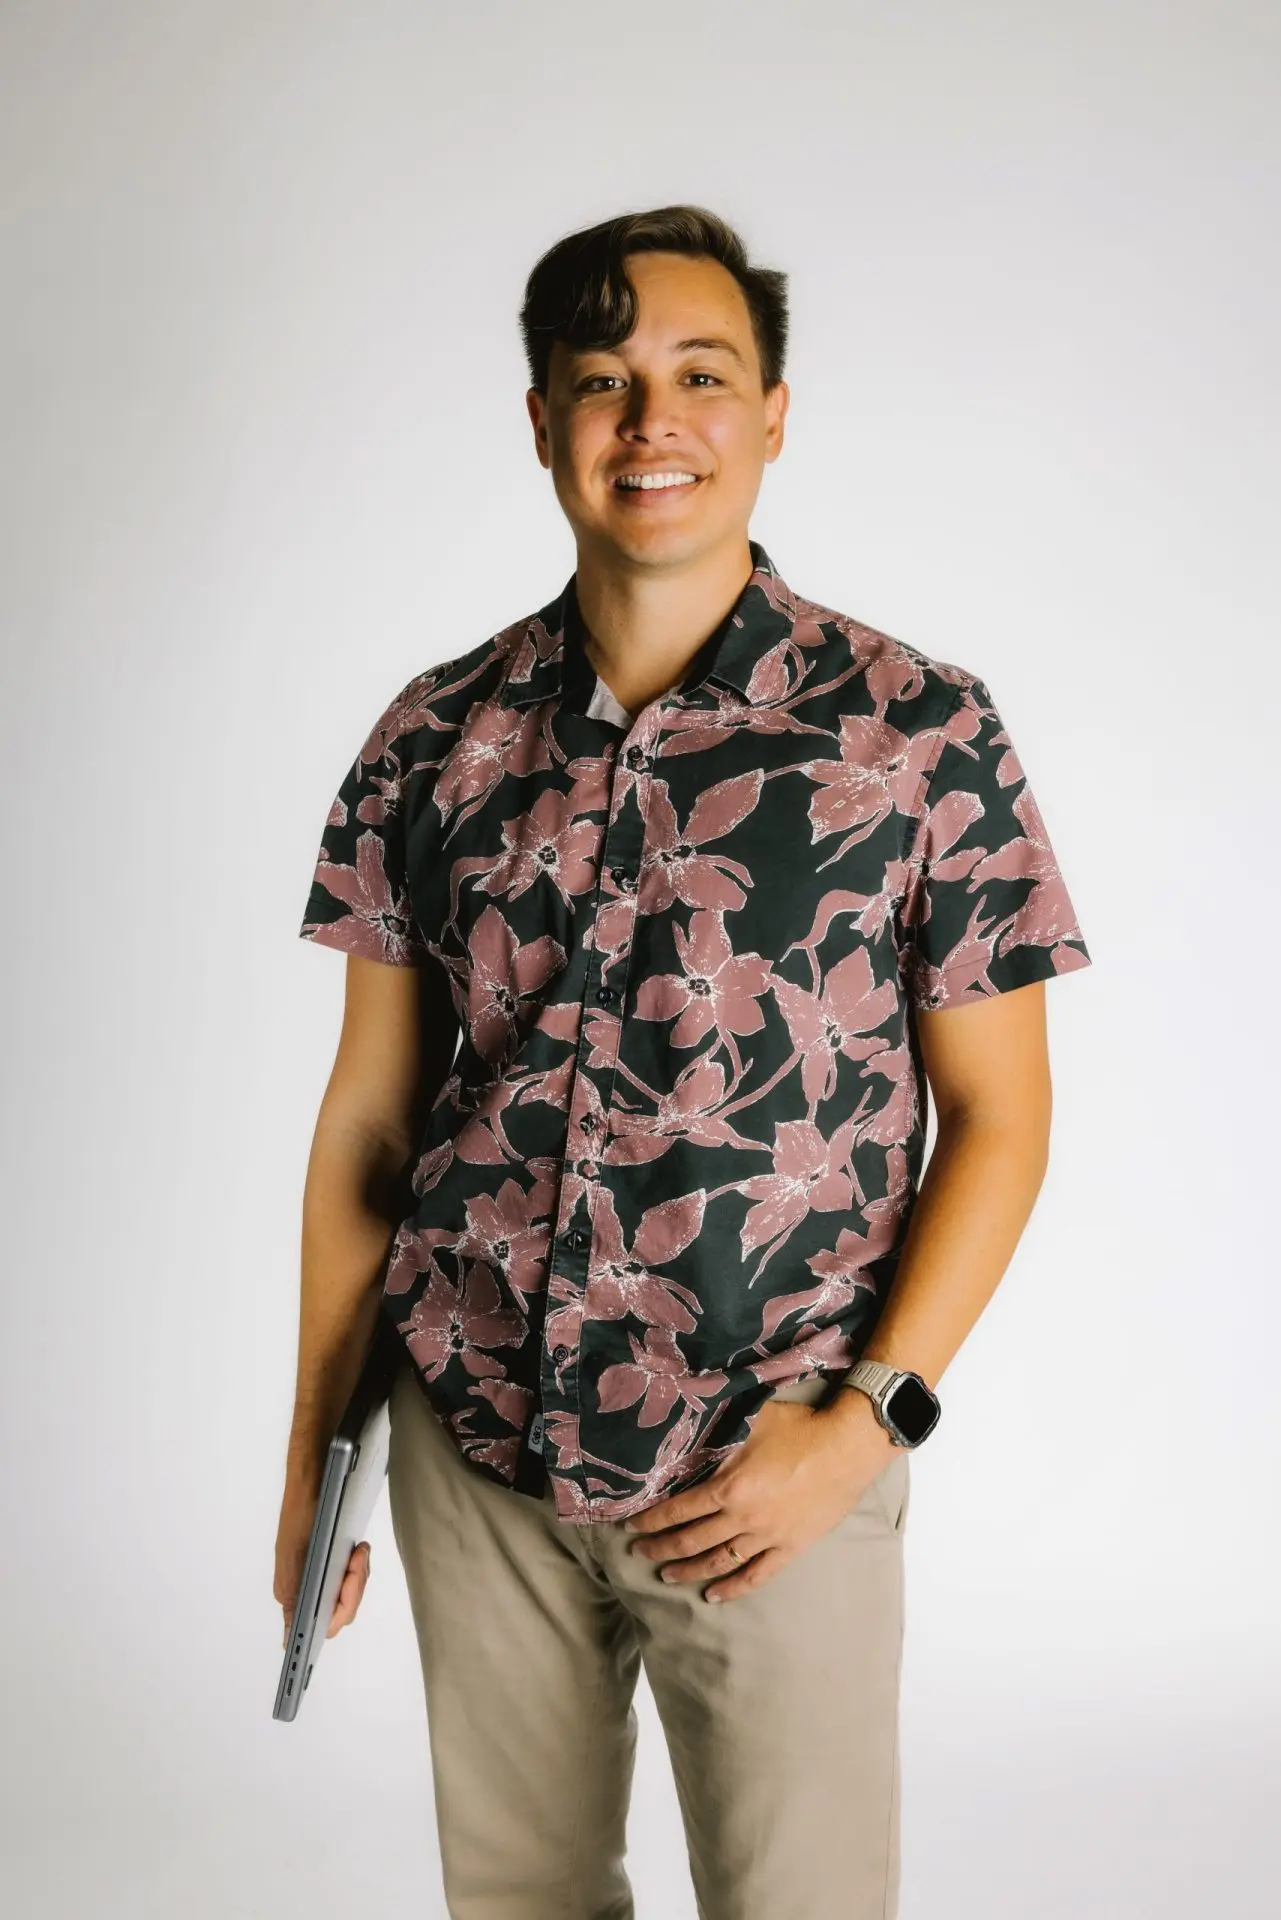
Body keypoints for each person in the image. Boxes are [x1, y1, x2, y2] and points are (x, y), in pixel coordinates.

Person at [274, 203, 1092, 1920]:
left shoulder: (917, 732)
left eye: (701, 375)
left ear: (775, 413)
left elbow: (1003, 1124)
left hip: (769, 1461)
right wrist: (313, 1458)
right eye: (603, 379)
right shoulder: (433, 738)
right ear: (544, 424)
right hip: (474, 1447)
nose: (654, 424)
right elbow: (370, 1125)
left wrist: (864, 1428)